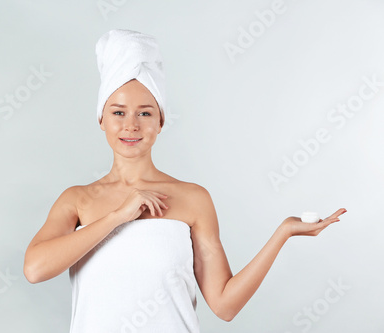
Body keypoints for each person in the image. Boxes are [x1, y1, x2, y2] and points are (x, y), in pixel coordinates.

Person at [23, 29, 347, 332]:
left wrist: (283, 233)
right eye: (118, 112)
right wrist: (118, 216)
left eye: (145, 113)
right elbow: (35, 269)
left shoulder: (193, 199)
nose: (131, 125)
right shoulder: (77, 200)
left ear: (161, 121)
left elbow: (224, 305)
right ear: (101, 119)